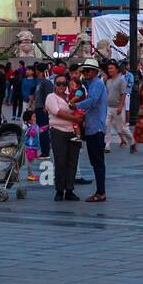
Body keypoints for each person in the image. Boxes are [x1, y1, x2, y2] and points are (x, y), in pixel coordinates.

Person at [73, 58, 108, 201]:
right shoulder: (91, 83)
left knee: (98, 161)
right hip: (92, 126)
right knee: (96, 161)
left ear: (95, 71)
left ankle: (101, 192)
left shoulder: (97, 84)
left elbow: (93, 100)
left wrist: (76, 105)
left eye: (88, 70)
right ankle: (100, 191)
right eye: (84, 70)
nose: (85, 73)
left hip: (96, 127)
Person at [45, 73, 82, 201]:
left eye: (64, 84)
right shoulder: (51, 97)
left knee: (72, 161)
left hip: (72, 131)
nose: (61, 86)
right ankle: (59, 189)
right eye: (59, 84)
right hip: (58, 131)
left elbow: (78, 108)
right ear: (55, 85)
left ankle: (70, 189)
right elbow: (57, 112)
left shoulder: (69, 97)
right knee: (60, 161)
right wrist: (74, 118)